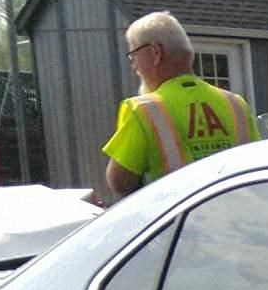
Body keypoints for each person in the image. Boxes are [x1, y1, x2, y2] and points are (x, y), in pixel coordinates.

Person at [101, 11, 258, 198]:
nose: (134, 66)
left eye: (134, 55)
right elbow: (256, 167)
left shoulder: (143, 110)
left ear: (155, 52)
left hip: (180, 221)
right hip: (237, 220)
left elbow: (120, 182)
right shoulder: (236, 104)